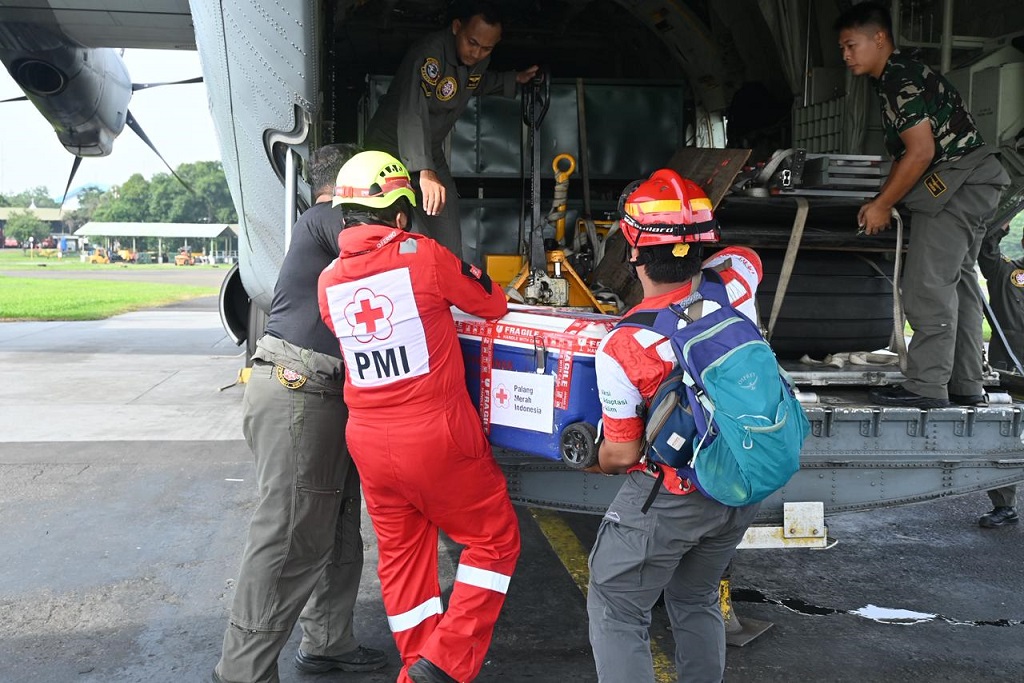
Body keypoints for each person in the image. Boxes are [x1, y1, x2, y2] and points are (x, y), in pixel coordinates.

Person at [317, 150, 520, 683]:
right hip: (436, 436)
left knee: (405, 565)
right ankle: (446, 661)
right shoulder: (422, 255)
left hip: (368, 442)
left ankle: (417, 670)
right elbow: (492, 303)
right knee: (495, 540)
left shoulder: (329, 280)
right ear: (400, 214)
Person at [213, 143, 387, 683]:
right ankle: (241, 673)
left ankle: (328, 641)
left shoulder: (328, 231)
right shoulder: (324, 219)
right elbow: (374, 247)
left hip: (329, 395)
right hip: (299, 391)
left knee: (336, 529)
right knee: (288, 537)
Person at [585, 169, 763, 683]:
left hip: (674, 495)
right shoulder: (738, 283)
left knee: (617, 604)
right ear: (706, 243)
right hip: (739, 479)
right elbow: (743, 254)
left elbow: (620, 454)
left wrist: (589, 459)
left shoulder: (622, 344)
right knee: (695, 596)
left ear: (631, 250)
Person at [834, 2, 1011, 409]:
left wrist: (882, 205)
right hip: (976, 181)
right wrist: (882, 197)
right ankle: (964, 382)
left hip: (957, 186)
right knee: (960, 286)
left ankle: (927, 387)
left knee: (927, 288)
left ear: (879, 39)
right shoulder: (903, 75)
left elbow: (919, 153)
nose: (845, 55)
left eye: (850, 45)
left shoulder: (900, 79)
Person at [362, 1, 538, 259]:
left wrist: (515, 79)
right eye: (472, 43)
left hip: (428, 150)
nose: (477, 53)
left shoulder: (478, 61)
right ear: (457, 27)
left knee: (446, 223)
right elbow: (413, 110)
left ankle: (449, 282)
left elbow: (472, 83)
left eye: (487, 48)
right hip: (389, 149)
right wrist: (425, 171)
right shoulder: (430, 55)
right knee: (388, 226)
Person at [975, 221, 1021, 527]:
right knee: (1004, 439)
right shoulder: (1010, 274)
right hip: (1009, 373)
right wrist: (999, 228)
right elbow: (985, 250)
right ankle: (1005, 506)